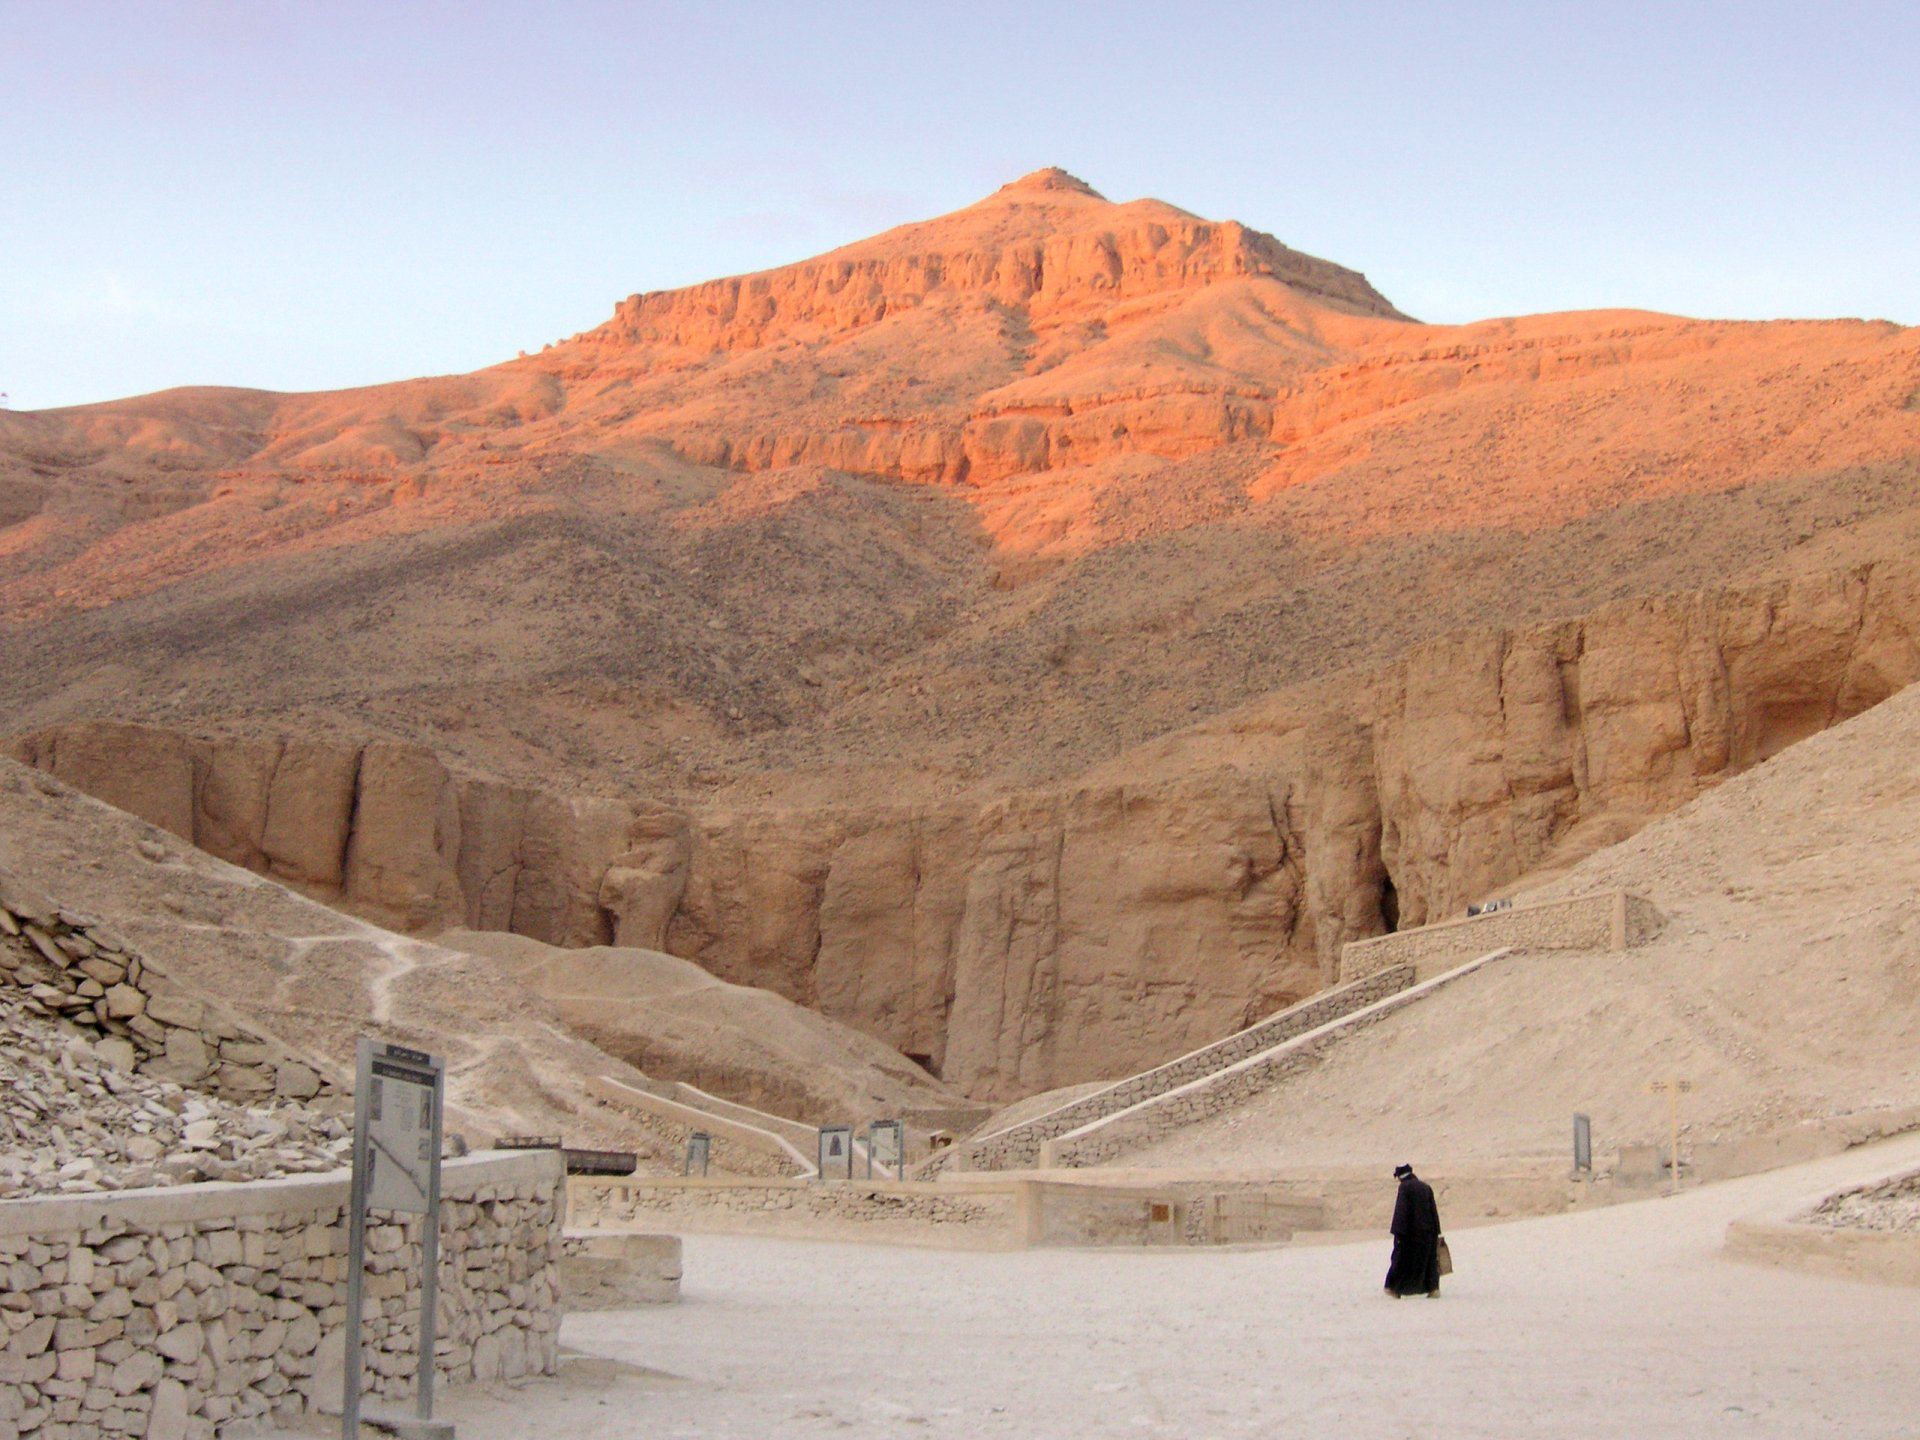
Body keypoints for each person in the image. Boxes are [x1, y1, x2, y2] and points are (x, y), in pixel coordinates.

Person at [1384, 1163, 1444, 1297]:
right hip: (1428, 1231)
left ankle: (1394, 1288)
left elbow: (1401, 1211)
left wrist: (1398, 1233)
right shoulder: (1425, 1187)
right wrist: (1436, 1231)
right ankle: (1433, 1288)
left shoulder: (1404, 1188)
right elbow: (1433, 1211)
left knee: (1401, 1258)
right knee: (1429, 1260)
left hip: (1410, 1233)